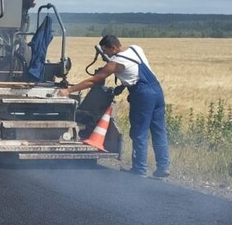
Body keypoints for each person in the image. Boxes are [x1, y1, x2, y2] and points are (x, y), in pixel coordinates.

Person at [57, 35, 170, 178]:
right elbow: (135, 72)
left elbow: (94, 80)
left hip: (142, 96)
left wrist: (68, 91)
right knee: (159, 130)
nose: (106, 54)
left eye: (106, 51)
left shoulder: (116, 62)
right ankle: (163, 167)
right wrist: (122, 86)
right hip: (157, 92)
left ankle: (139, 169)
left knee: (139, 132)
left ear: (114, 47)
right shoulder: (136, 49)